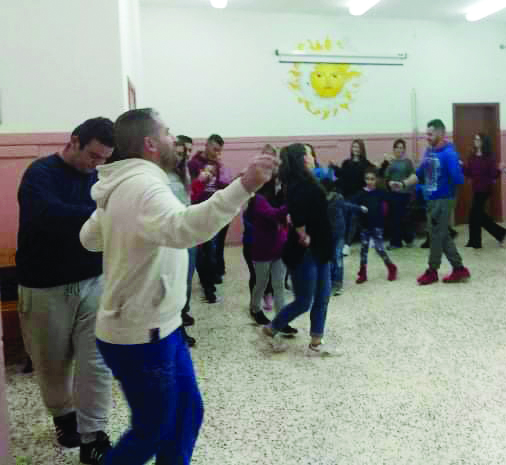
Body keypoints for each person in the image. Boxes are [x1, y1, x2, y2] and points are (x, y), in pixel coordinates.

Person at [80, 108, 274, 464]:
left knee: (186, 414)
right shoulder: (142, 185)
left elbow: (89, 237)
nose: (174, 139)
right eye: (167, 132)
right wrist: (244, 186)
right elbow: (186, 229)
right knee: (153, 430)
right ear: (150, 143)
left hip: (162, 326)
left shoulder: (124, 183)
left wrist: (118, 224)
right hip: (141, 334)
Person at [16, 117, 115, 464]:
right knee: (52, 365)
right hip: (44, 286)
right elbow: (49, 216)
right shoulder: (39, 174)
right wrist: (102, 215)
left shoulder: (99, 178)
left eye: (104, 159)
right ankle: (63, 416)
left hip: (93, 281)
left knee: (97, 361)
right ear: (74, 141)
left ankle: (94, 436)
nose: (96, 164)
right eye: (93, 155)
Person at [262, 144, 335, 356]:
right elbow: (297, 215)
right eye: (310, 154)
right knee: (304, 301)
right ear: (303, 159)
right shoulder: (298, 185)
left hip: (321, 248)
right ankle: (270, 329)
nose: (313, 157)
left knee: (323, 296)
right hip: (305, 252)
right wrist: (303, 234)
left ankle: (316, 343)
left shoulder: (308, 181)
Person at [390, 119, 471, 285]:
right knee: (442, 235)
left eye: (430, 134)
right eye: (426, 134)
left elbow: (459, 180)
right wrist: (403, 184)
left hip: (443, 200)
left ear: (440, 133)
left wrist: (458, 167)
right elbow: (419, 173)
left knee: (435, 236)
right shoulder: (429, 151)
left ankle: (432, 271)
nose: (427, 137)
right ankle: (459, 269)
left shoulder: (449, 154)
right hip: (431, 200)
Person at [246, 147, 295, 332]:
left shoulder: (281, 193)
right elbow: (272, 214)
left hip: (279, 246)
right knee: (261, 282)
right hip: (262, 249)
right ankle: (255, 308)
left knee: (279, 285)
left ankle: (281, 320)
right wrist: (291, 204)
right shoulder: (257, 198)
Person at [188, 134, 232, 302]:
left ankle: (210, 281)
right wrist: (202, 178)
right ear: (206, 145)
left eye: (220, 150)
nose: (217, 153)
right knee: (202, 251)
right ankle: (208, 287)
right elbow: (189, 188)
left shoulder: (218, 164)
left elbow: (222, 186)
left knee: (212, 248)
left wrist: (229, 179)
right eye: (215, 149)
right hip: (198, 211)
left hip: (215, 211)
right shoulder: (193, 164)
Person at [169, 138, 197, 348]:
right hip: (171, 236)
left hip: (187, 233)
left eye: (181, 154)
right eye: (176, 153)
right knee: (174, 284)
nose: (178, 158)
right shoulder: (158, 175)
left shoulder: (182, 172)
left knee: (186, 282)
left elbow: (188, 201)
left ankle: (182, 316)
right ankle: (177, 329)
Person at [463, 133, 506, 249]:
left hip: (485, 189)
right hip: (476, 188)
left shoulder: (489, 157)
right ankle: (497, 234)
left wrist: (499, 169)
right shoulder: (472, 156)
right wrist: (461, 166)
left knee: (475, 214)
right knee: (476, 215)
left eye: (478, 139)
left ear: (483, 142)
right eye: (475, 139)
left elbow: (493, 175)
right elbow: (469, 173)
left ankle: (477, 241)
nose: (475, 141)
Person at [353, 167, 398, 283]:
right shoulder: (360, 194)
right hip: (364, 226)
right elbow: (353, 205)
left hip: (377, 225)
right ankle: (363, 273)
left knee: (379, 248)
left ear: (376, 180)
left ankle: (391, 267)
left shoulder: (380, 193)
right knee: (363, 250)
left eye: (372, 179)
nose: (369, 181)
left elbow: (392, 201)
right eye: (367, 179)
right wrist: (359, 208)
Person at [322, 178, 365, 296]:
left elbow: (347, 205)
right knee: (330, 258)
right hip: (327, 234)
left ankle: (338, 283)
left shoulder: (338, 198)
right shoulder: (319, 199)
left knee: (337, 258)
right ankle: (330, 281)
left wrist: (359, 208)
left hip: (339, 233)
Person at [331, 139, 373, 254]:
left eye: (358, 147)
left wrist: (384, 164)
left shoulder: (366, 164)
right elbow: (341, 175)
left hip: (359, 196)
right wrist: (334, 167)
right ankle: (341, 243)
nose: (356, 149)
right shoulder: (346, 163)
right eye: (354, 147)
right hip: (346, 195)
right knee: (343, 217)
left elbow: (374, 173)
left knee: (354, 217)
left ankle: (347, 245)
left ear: (362, 149)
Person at [379, 139, 416, 249]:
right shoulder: (391, 162)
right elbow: (385, 176)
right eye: (397, 147)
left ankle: (408, 239)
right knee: (394, 218)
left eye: (401, 147)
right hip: (393, 193)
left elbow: (413, 176)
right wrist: (389, 182)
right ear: (394, 149)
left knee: (403, 217)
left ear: (404, 149)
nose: (399, 149)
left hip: (405, 192)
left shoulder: (407, 162)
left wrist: (406, 186)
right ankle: (396, 242)